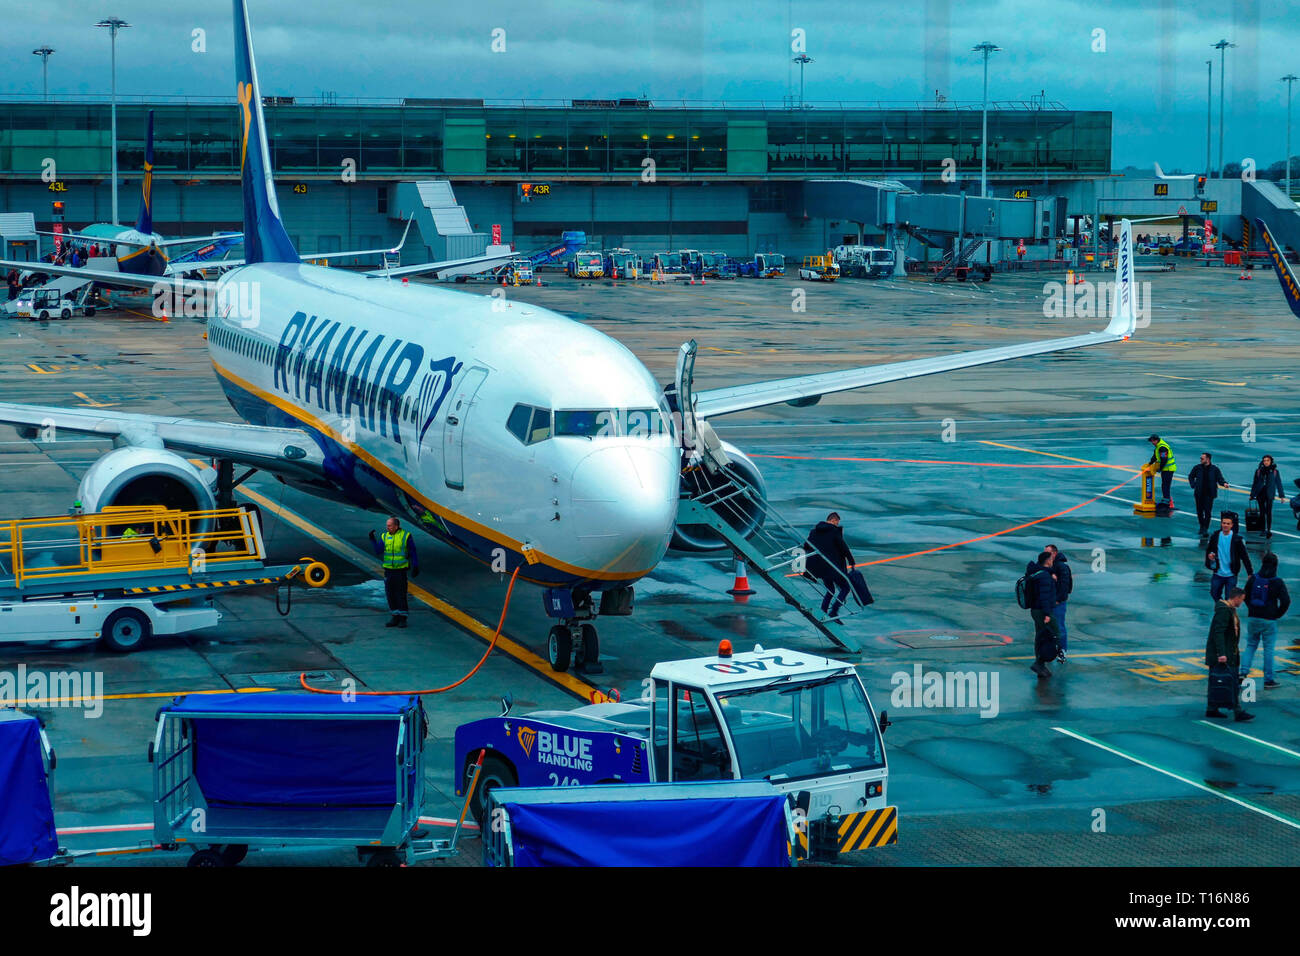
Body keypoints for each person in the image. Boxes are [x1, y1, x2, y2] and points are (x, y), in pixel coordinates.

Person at [803, 512, 872, 621]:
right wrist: (851, 561)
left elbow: (806, 545)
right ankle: (834, 611)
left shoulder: (814, 531)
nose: (837, 524)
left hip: (820, 569)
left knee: (830, 589)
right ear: (834, 520)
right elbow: (843, 548)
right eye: (837, 522)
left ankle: (823, 611)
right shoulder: (834, 531)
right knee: (845, 587)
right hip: (832, 567)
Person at [1205, 588, 1253, 721]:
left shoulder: (1227, 610)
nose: (1242, 602)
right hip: (1225, 653)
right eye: (1242, 600)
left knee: (1216, 680)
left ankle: (1212, 707)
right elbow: (1218, 632)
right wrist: (1222, 653)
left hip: (1224, 651)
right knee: (1231, 681)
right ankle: (1237, 711)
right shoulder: (1225, 612)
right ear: (1236, 598)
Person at [1242, 552, 1288, 688]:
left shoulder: (1254, 579)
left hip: (1253, 617)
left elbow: (1245, 596)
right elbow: (1286, 601)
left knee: (1250, 645)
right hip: (1269, 619)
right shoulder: (1277, 582)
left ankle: (1243, 672)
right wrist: (1277, 614)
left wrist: (1251, 608)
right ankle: (1268, 680)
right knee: (1268, 649)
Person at [369, 516, 419, 628]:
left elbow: (413, 551)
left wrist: (415, 565)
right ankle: (395, 616)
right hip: (389, 570)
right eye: (387, 525)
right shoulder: (385, 536)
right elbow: (378, 551)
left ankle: (403, 618)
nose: (387, 527)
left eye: (389, 525)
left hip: (400, 571)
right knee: (390, 594)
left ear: (396, 526)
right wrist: (372, 540)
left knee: (400, 594)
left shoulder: (405, 536)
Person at [1025, 550, 1059, 678]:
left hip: (1035, 609)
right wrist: (1047, 614)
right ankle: (1039, 663)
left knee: (1040, 636)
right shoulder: (1044, 577)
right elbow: (1044, 596)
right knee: (1054, 635)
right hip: (1043, 611)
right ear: (1048, 561)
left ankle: (1040, 664)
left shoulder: (1037, 573)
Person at [1205, 512, 1253, 601]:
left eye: (1228, 523)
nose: (1225, 525)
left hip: (1231, 574)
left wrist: (1249, 572)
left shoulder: (1237, 539)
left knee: (1229, 598)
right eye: (1224, 523)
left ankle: (1226, 611)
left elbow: (1244, 557)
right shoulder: (1215, 536)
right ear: (1221, 523)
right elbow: (1210, 549)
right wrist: (1210, 555)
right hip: (1218, 573)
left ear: (1232, 525)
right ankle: (1222, 607)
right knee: (1214, 593)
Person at [1187, 452, 1229, 535]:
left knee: (1207, 511)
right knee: (1199, 511)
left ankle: (1205, 528)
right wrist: (1193, 484)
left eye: (1202, 458)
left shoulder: (1215, 469)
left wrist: (1224, 483)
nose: (1200, 460)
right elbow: (1191, 476)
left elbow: (1219, 478)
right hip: (1199, 493)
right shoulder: (1197, 468)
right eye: (1201, 458)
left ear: (1208, 459)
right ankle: (1201, 526)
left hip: (1209, 494)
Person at [1044, 544, 1072, 661]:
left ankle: (1062, 650)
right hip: (1051, 601)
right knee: (1050, 628)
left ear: (1054, 553)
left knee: (1059, 626)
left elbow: (1065, 586)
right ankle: (1052, 650)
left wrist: (1058, 600)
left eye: (1048, 553)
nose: (1045, 555)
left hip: (1057, 602)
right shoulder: (1050, 565)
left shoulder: (1061, 567)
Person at [1248, 455, 1285, 539]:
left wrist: (1281, 496)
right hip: (1260, 493)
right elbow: (1255, 483)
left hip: (1270, 494)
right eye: (1264, 461)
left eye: (1267, 460)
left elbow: (1278, 483)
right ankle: (1262, 529)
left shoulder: (1275, 472)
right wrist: (1252, 495)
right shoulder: (1258, 471)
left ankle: (1268, 529)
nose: (1266, 462)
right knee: (1262, 512)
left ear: (1271, 461)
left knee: (1268, 512)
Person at [1147, 434, 1176, 507]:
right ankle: (1166, 499)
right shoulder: (1158, 446)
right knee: (1164, 485)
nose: (1152, 442)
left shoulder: (1162, 447)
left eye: (1153, 441)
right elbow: (1155, 456)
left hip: (1168, 469)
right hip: (1166, 469)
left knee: (1166, 485)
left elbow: (1164, 459)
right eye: (1151, 441)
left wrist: (1160, 468)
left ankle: (1167, 501)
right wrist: (1150, 463)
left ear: (1156, 440)